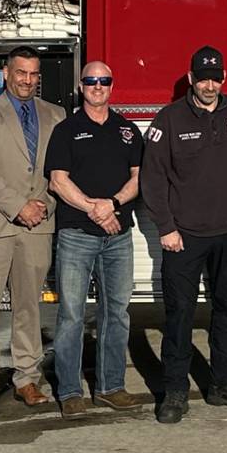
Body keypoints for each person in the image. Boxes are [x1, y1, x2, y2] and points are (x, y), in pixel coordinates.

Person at [141, 44, 227, 424]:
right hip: (185, 237)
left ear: (223, 78)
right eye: (202, 77)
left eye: (215, 77)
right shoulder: (169, 119)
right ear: (191, 78)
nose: (209, 84)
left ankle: (224, 384)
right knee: (180, 315)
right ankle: (175, 391)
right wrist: (166, 228)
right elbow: (153, 179)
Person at [0, 45, 64, 413]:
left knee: (29, 308)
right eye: (21, 72)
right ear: (6, 74)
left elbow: (60, 171)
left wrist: (44, 206)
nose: (27, 80)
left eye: (33, 74)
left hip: (37, 225)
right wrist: (18, 206)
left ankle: (27, 378)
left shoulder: (56, 114)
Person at [44, 60, 147, 417]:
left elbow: (139, 177)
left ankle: (110, 386)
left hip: (118, 236)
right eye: (91, 81)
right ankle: (70, 391)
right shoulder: (67, 130)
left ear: (112, 85)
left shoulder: (128, 130)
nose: (98, 86)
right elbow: (58, 180)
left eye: (104, 80)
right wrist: (94, 209)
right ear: (81, 86)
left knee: (116, 313)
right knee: (72, 315)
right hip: (77, 235)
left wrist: (113, 204)